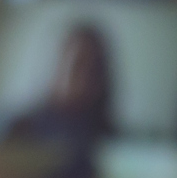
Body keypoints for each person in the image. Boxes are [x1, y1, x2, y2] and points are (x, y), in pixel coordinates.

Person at [8, 23, 118, 154]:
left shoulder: (112, 145)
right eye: (78, 67)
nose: (85, 81)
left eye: (93, 71)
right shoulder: (21, 132)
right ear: (59, 68)